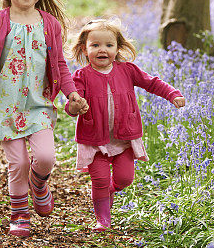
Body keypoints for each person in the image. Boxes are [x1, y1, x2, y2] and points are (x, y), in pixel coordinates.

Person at [0, 0, 88, 238]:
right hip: (5, 104)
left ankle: (40, 183)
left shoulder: (50, 24)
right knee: (18, 162)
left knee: (45, 157)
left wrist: (70, 94)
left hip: (39, 103)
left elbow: (59, 64)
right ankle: (20, 214)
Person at [65, 18, 185, 231]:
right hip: (95, 140)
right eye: (95, 45)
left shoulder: (127, 70)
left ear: (118, 48)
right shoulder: (81, 76)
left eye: (109, 45)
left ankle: (111, 190)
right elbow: (72, 104)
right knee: (99, 180)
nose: (103, 50)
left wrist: (172, 94)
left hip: (124, 139)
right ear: (84, 49)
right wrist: (76, 106)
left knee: (124, 179)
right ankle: (103, 219)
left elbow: (152, 83)